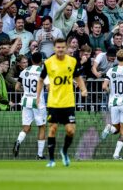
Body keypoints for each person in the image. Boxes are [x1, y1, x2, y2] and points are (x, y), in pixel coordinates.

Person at [36, 38, 88, 168]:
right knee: (52, 129)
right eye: (58, 47)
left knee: (70, 131)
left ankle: (64, 151)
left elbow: (77, 77)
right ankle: (52, 160)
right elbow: (41, 79)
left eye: (62, 47)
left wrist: (83, 89)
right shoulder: (48, 62)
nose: (60, 49)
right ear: (54, 48)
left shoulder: (72, 61)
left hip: (68, 102)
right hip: (53, 102)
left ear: (66, 48)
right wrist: (38, 96)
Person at [13, 52, 46, 160]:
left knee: (26, 127)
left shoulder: (24, 71)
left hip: (26, 101)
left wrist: (26, 91)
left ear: (31, 60)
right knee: (41, 127)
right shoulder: (42, 72)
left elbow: (17, 87)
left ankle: (18, 141)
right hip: (38, 103)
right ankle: (40, 155)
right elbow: (49, 87)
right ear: (41, 60)